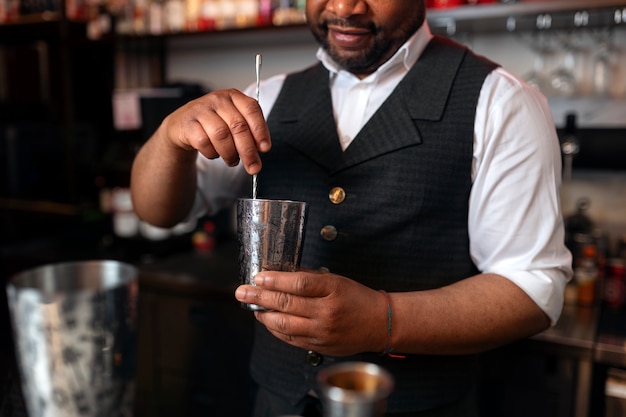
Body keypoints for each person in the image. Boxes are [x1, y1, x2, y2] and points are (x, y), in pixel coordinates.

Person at [130, 0, 573, 415]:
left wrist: (384, 321)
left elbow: (533, 288)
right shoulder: (271, 95)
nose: (343, 8)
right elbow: (158, 212)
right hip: (277, 401)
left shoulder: (502, 101)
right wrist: (170, 137)